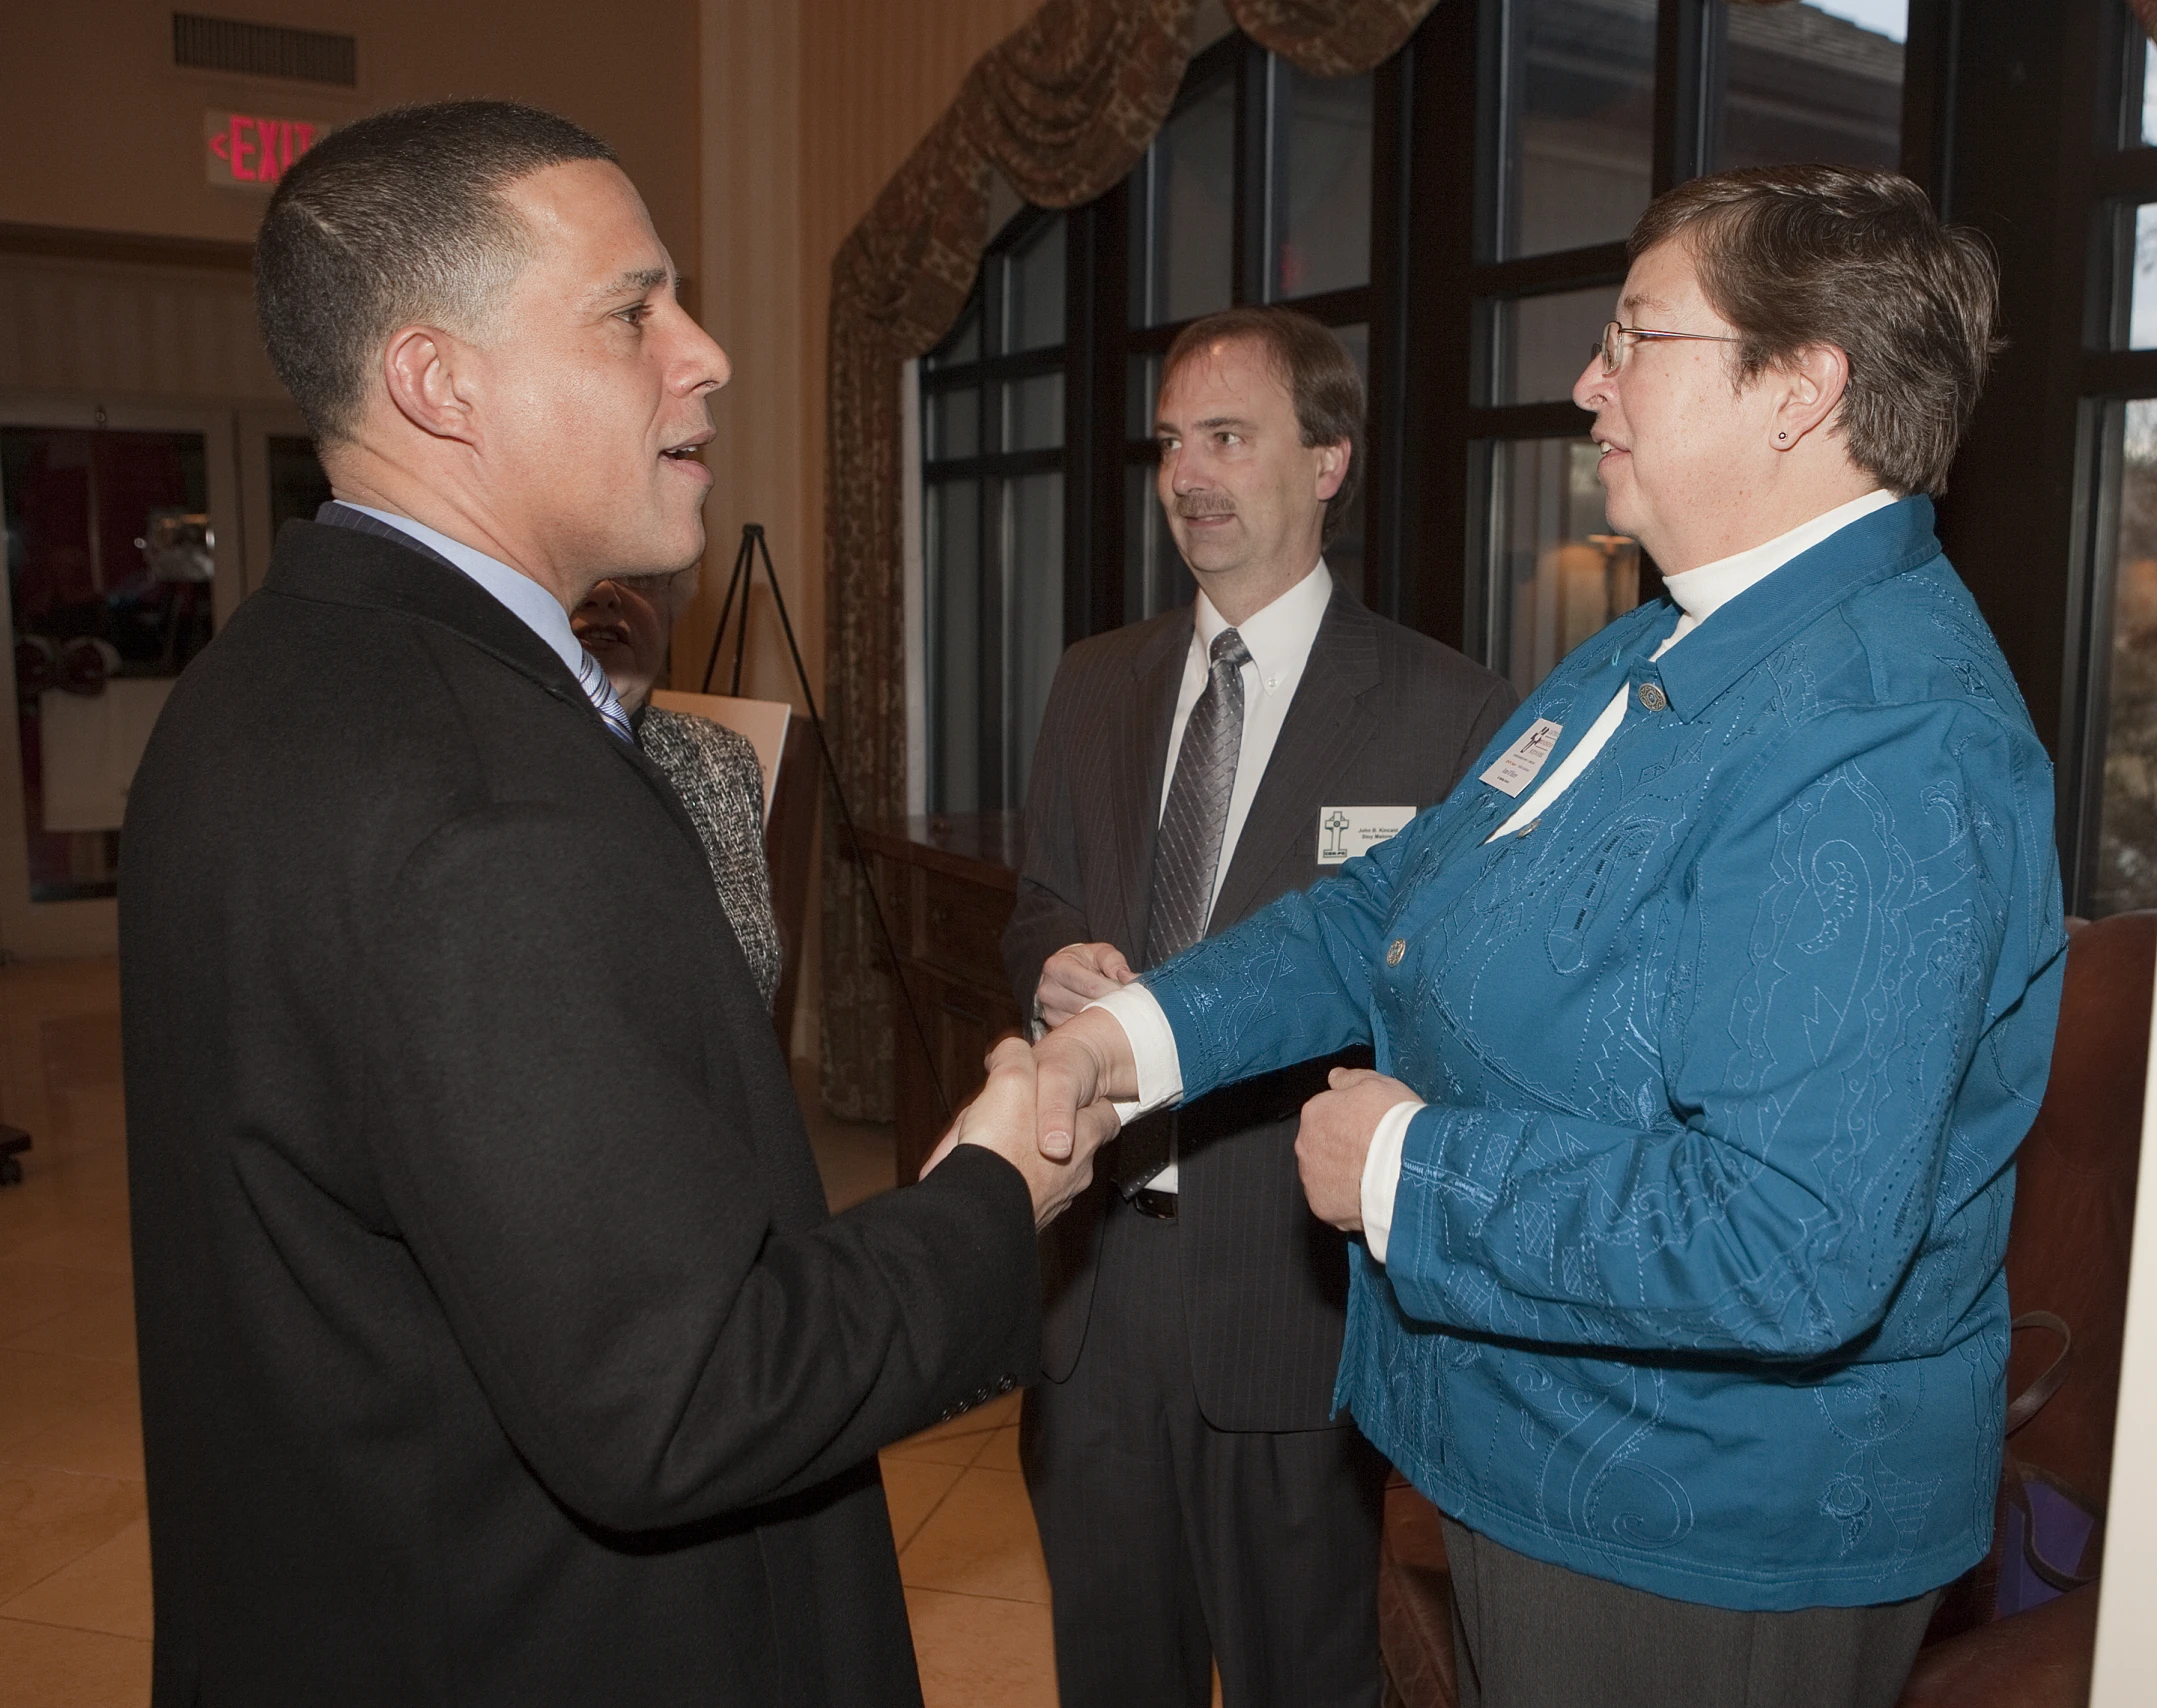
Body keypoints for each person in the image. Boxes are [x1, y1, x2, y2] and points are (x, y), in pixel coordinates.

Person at [1031, 165, 2066, 1708]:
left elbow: (1789, 1245)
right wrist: (1143, 1036)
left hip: (1702, 1535)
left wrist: (1401, 1169)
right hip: (1555, 1466)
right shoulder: (1651, 646)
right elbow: (1398, 898)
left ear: (1799, 388)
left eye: (1635, 336)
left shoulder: (1885, 736)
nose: (1588, 382)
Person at [119, 100, 1106, 1708]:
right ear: (441, 382)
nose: (706, 353)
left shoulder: (259, 693)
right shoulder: (484, 800)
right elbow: (685, 1395)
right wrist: (996, 1190)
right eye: (632, 310)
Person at [1005, 306, 1514, 1708]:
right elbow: (1038, 903)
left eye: (1228, 437)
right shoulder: (1091, 681)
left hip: (1292, 1310)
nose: (1188, 475)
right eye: (1172, 443)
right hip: (1090, 1297)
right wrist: (1048, 966)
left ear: (1330, 457)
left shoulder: (1450, 716)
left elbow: (1460, 1015)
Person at [574, 573, 783, 1009]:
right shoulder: (480, 758)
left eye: (637, 575)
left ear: (673, 606)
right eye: (587, 562)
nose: (607, 595)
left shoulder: (721, 759)